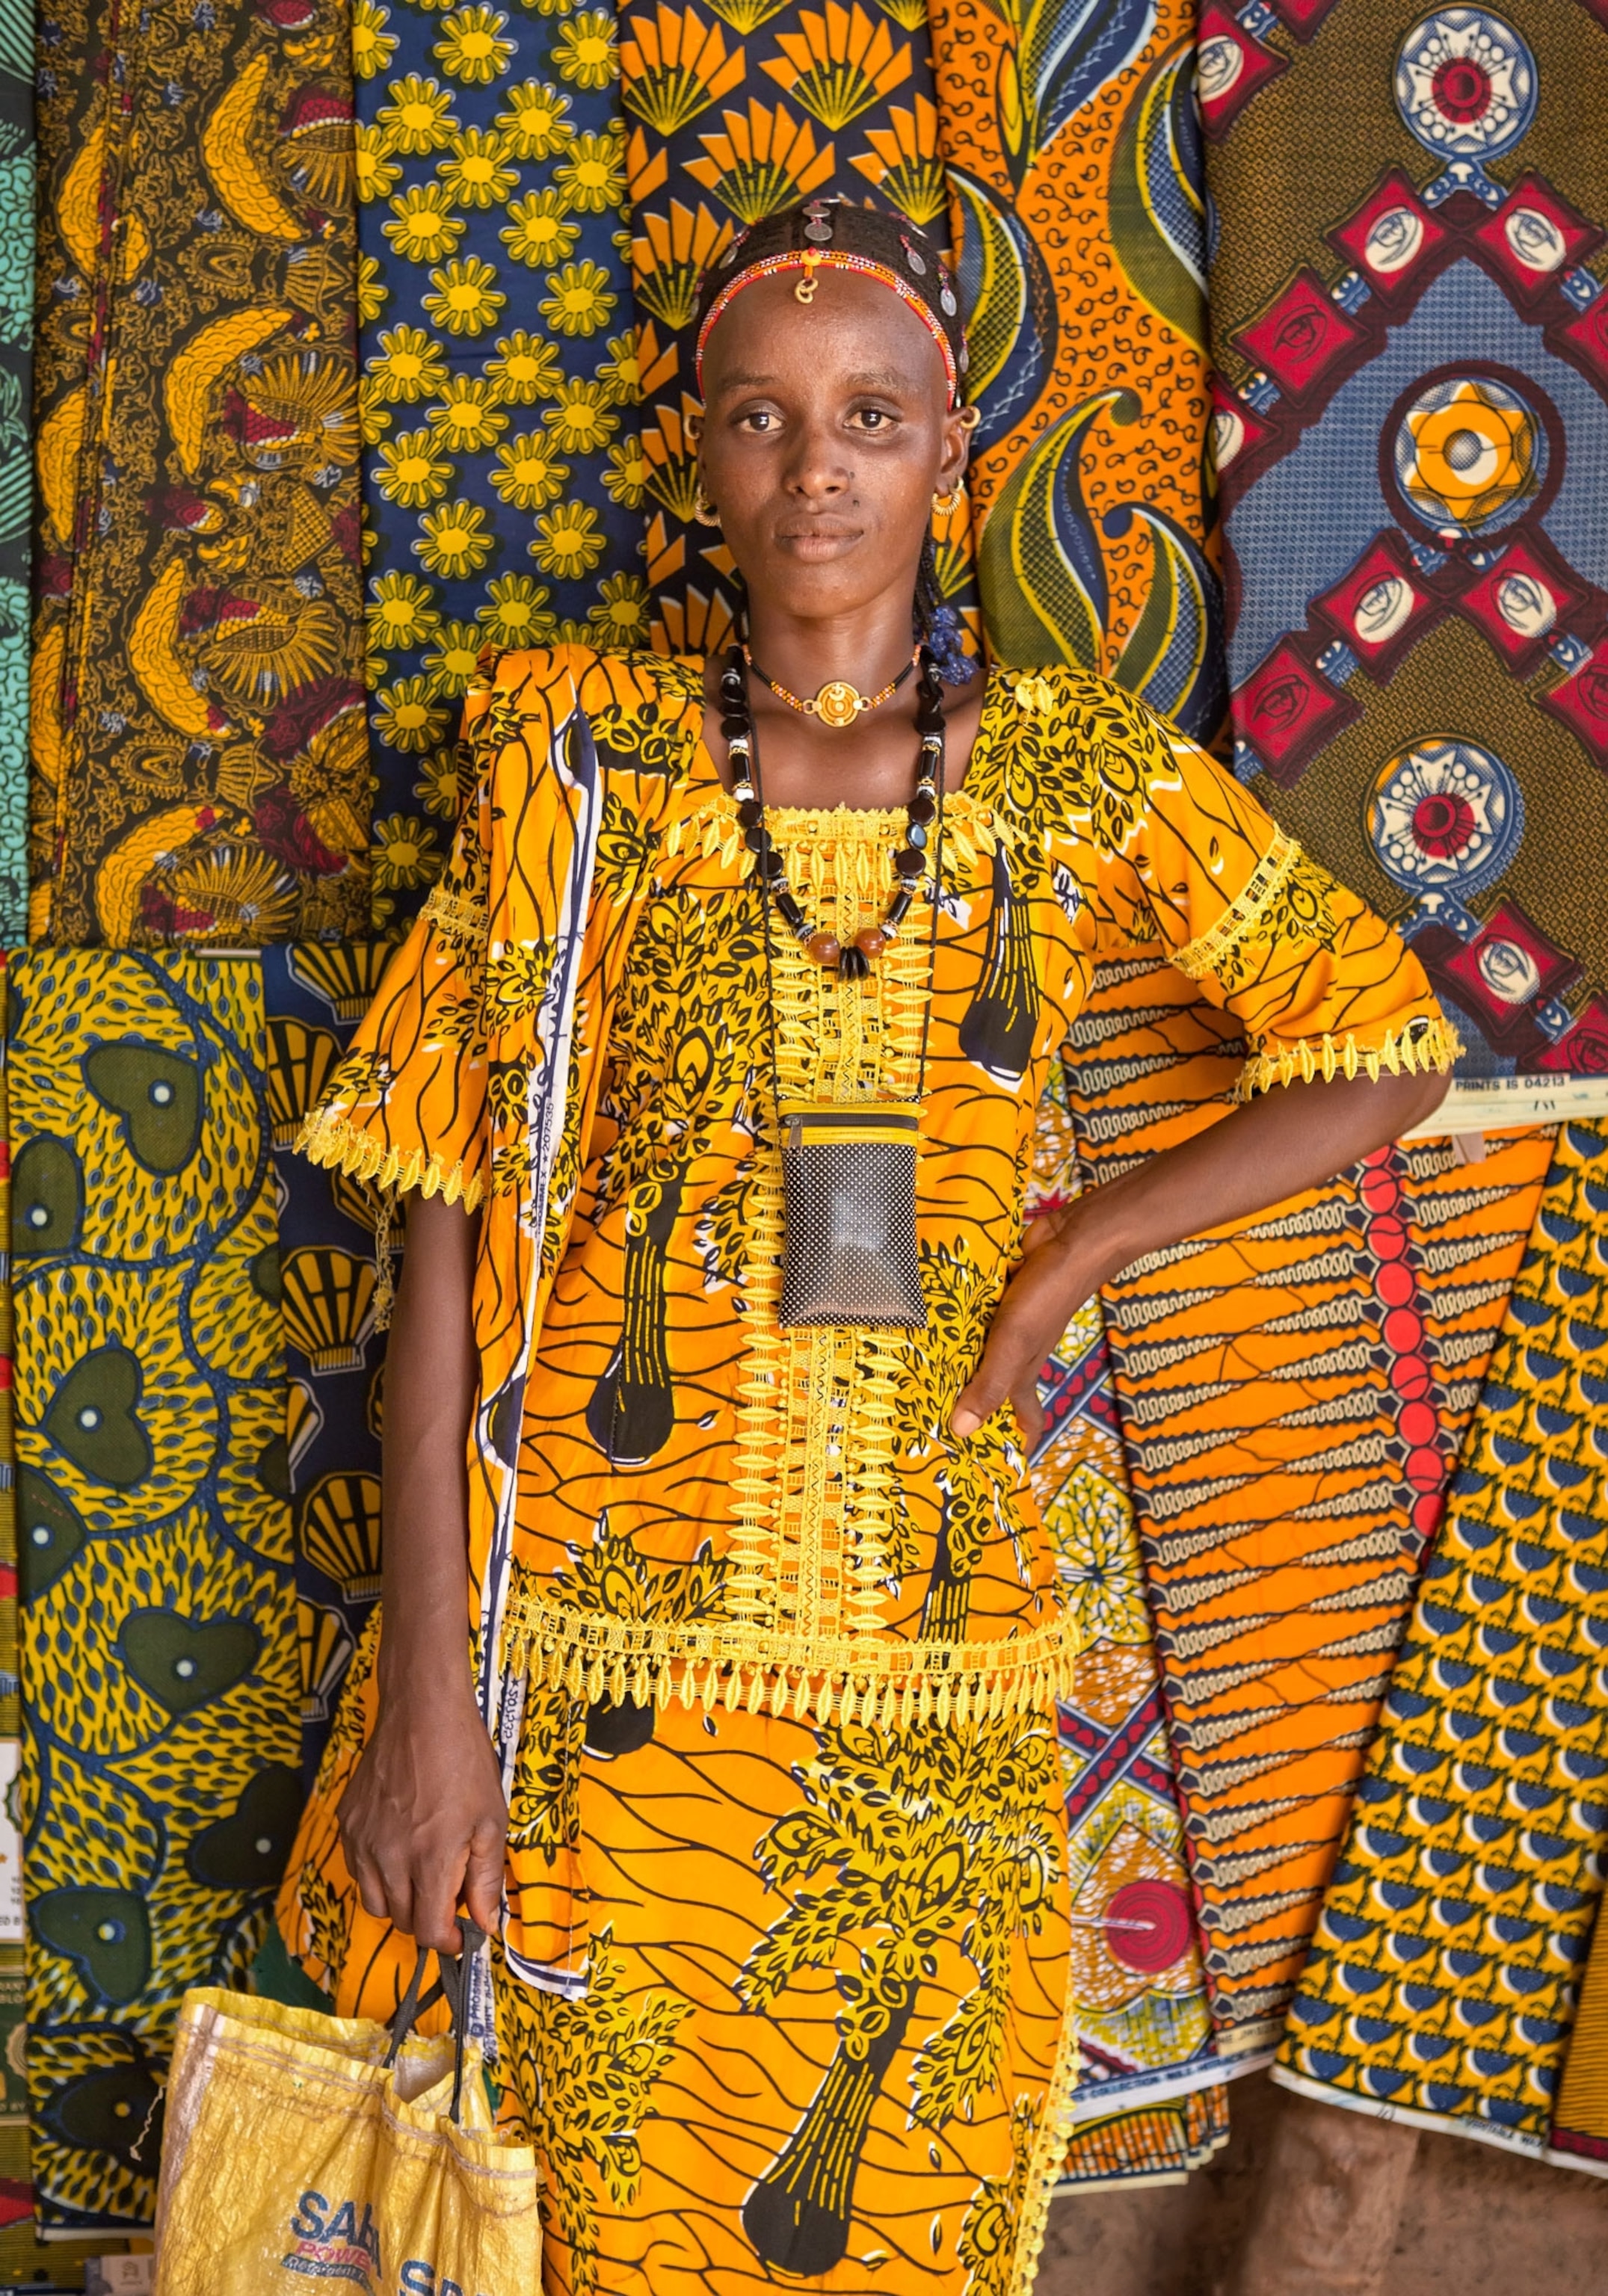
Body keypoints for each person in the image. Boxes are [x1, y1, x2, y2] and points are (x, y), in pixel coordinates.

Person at [279, 198, 1455, 2296]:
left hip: (941, 1675)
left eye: (872, 416)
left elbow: (1379, 1045)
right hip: (587, 1682)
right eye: (764, 418)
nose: (816, 467)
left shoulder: (1073, 781)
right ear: (708, 463)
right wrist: (425, 1711)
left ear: (944, 456)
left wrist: (1085, 1242)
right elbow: (438, 1221)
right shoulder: (587, 774)